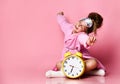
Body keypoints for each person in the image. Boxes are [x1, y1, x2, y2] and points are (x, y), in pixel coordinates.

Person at [46, 11, 106, 78]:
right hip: (68, 59)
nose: (78, 25)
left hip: (81, 61)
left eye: (82, 27)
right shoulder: (68, 28)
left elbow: (84, 39)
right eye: (80, 23)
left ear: (84, 31)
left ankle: (65, 73)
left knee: (93, 63)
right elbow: (63, 23)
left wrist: (88, 41)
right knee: (58, 64)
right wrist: (60, 16)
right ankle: (88, 72)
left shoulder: (81, 35)